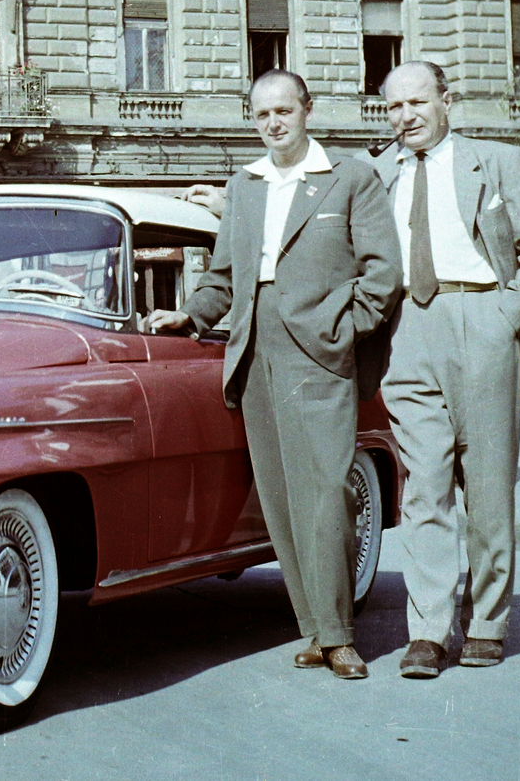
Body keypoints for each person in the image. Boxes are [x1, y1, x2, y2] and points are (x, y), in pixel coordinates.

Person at [149, 69, 402, 679]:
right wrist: (189, 314)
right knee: (283, 501)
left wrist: (339, 330)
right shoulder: (246, 186)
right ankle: (312, 629)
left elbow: (384, 273)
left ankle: (340, 634)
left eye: (284, 111)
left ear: (307, 110)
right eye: (262, 115)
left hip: (317, 356)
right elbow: (225, 276)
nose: (273, 124)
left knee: (327, 495)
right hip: (254, 354)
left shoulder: (348, 178)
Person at [373, 61, 520, 679]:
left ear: (446, 102)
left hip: (481, 317)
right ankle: (428, 629)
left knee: (485, 487)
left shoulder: (499, 160)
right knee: (423, 488)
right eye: (394, 107)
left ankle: (486, 621)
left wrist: (506, 314)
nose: (406, 117)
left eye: (417, 103)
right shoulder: (376, 174)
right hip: (407, 331)